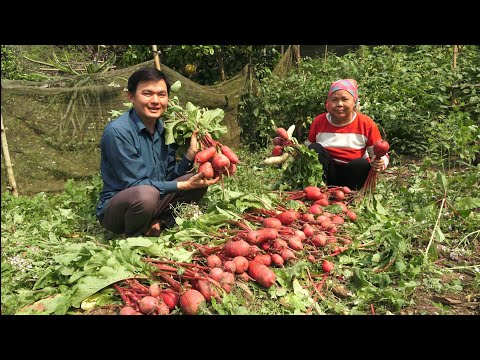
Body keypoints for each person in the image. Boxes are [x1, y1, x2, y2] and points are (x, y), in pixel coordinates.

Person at [96, 67, 219, 237]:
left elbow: (169, 176)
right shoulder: (118, 132)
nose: (155, 100)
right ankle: (133, 237)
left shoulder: (164, 130)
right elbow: (135, 184)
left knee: (198, 179)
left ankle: (159, 223)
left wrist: (190, 155)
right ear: (131, 96)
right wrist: (181, 185)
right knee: (146, 194)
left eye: (161, 95)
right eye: (147, 94)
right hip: (120, 210)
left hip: (154, 199)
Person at [305, 79, 389, 190]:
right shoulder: (319, 121)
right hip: (328, 174)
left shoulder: (366, 123)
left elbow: (381, 153)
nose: (339, 104)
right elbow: (307, 150)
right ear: (328, 103)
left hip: (353, 175)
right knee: (314, 149)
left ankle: (352, 193)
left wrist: (380, 162)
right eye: (334, 100)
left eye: (345, 99)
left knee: (361, 164)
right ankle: (321, 188)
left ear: (354, 102)